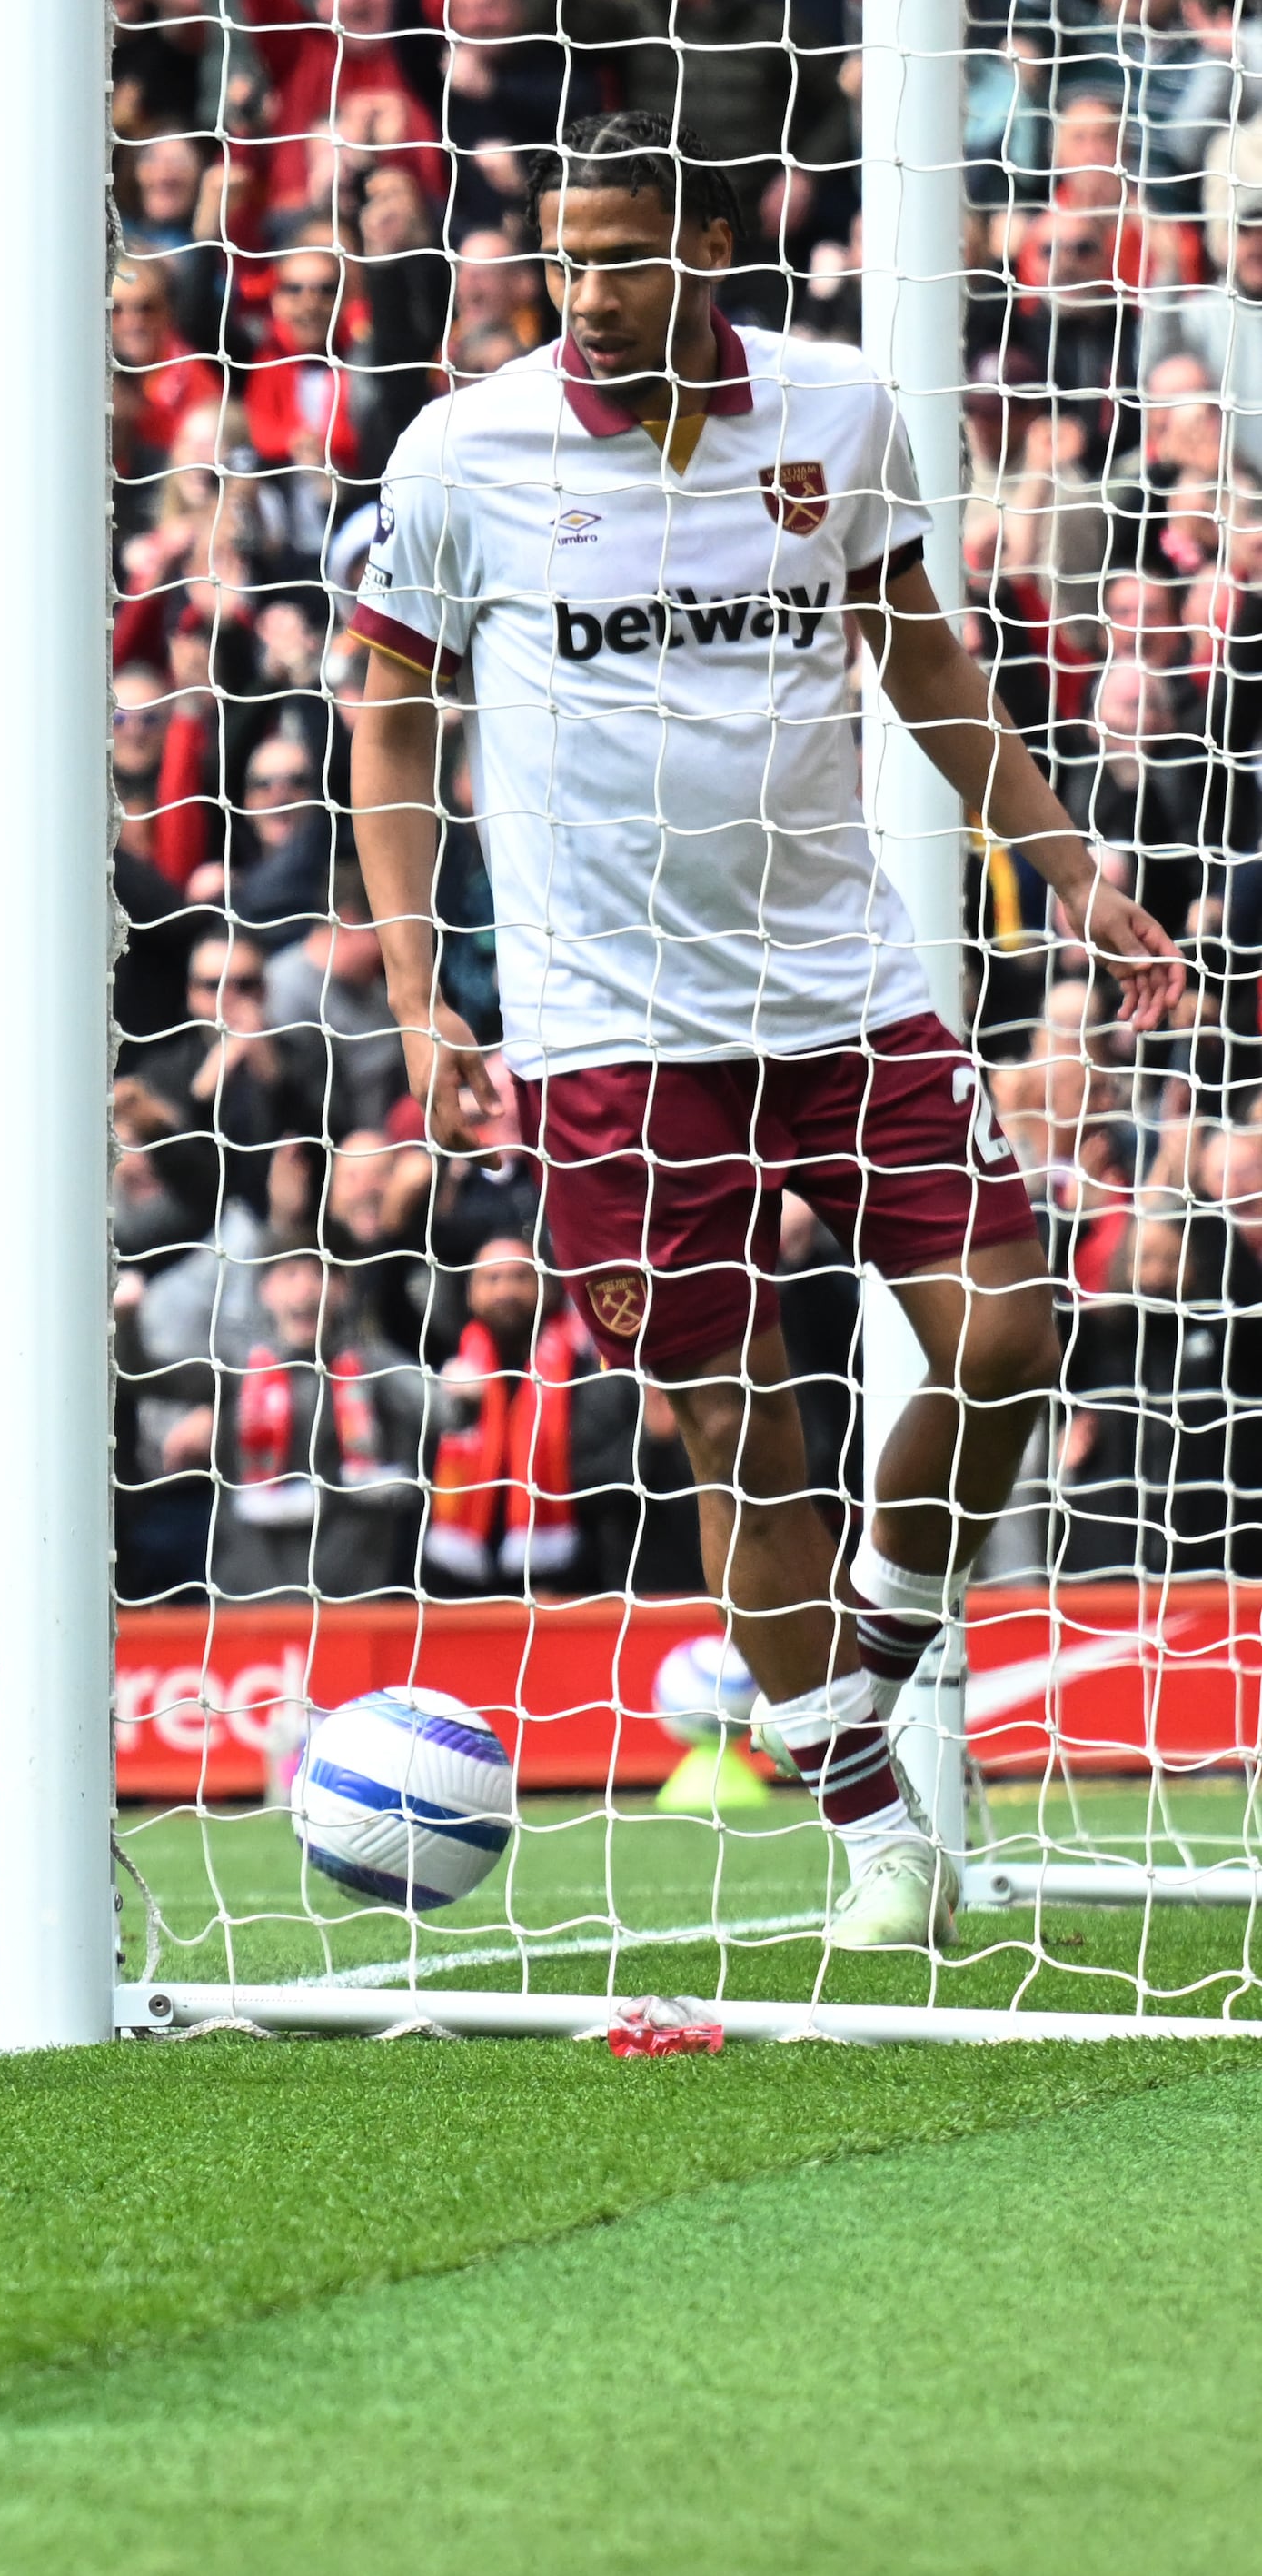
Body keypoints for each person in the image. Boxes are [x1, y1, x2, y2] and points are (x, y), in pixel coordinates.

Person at [346, 114, 1189, 1954]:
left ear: (713, 241)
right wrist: (420, 989)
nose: (589, 291)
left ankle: (867, 1651)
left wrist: (1059, 867)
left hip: (841, 986)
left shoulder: (831, 412)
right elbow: (390, 727)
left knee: (1007, 1332)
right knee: (747, 1428)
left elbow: (922, 656)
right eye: (562, 257)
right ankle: (876, 1828)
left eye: (626, 251)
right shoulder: (458, 451)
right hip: (604, 1034)